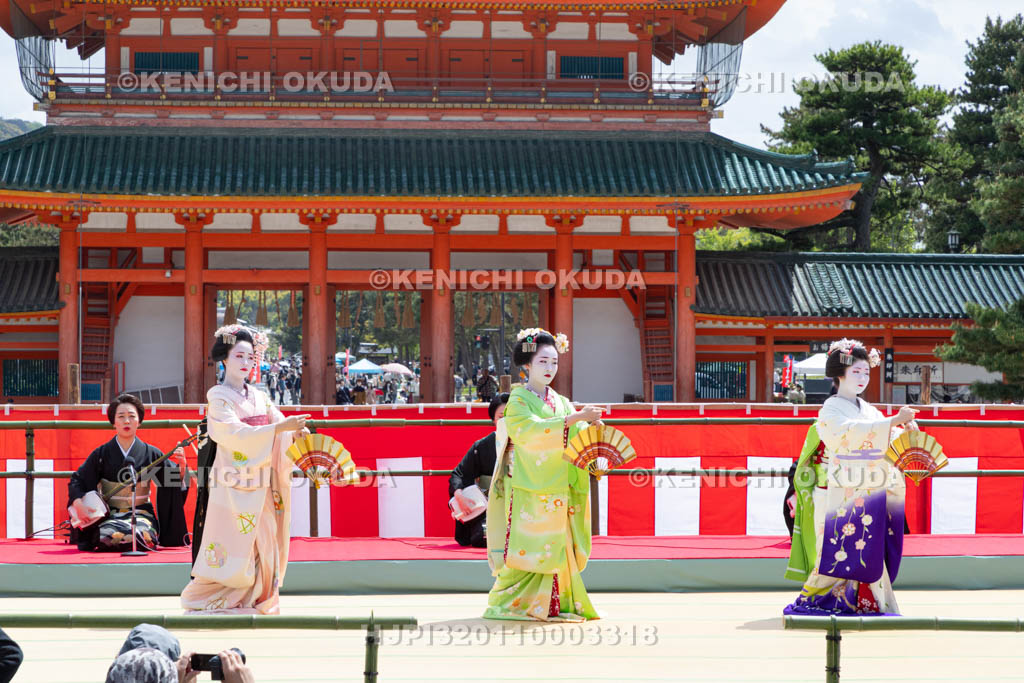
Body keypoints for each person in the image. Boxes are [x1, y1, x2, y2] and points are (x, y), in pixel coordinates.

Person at [784, 339, 919, 617]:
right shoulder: (830, 409)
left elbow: (890, 441)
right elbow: (845, 434)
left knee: (868, 546)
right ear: (840, 374)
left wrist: (905, 430)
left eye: (866, 372)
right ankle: (820, 599)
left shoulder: (870, 411)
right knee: (835, 547)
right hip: (836, 491)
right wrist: (891, 422)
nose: (863, 378)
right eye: (856, 371)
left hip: (870, 490)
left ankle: (865, 601)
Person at [181, 325, 310, 614]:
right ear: (224, 359)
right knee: (232, 541)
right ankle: (212, 597)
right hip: (233, 483)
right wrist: (279, 428)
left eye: (251, 357)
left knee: (264, 538)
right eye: (239, 355)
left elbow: (280, 424)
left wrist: (294, 432)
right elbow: (231, 434)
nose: (246, 363)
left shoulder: (259, 396)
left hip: (261, 479)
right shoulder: (218, 397)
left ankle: (257, 597)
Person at [483, 329, 604, 622]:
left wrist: (591, 437)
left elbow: (575, 436)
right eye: (543, 362)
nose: (550, 369)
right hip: (531, 489)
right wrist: (575, 418)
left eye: (554, 362)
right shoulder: (518, 400)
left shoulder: (560, 401)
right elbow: (529, 432)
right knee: (532, 548)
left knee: (557, 547)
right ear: (527, 364)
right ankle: (513, 603)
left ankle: (558, 603)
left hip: (560, 487)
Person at [68, 394, 189, 551]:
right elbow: (79, 480)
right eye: (121, 416)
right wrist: (78, 504)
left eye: (132, 416)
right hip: (110, 514)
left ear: (139, 422)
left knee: (143, 535)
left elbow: (171, 483)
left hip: (142, 513)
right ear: (114, 422)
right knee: (107, 536)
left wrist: (182, 467)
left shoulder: (150, 453)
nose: (126, 421)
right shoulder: (101, 454)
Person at [449, 393, 510, 547]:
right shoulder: (482, 447)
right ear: (493, 420)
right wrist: (459, 495)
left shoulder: (529, 445)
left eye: (512, 416)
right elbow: (459, 474)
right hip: (490, 508)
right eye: (501, 416)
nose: (506, 421)